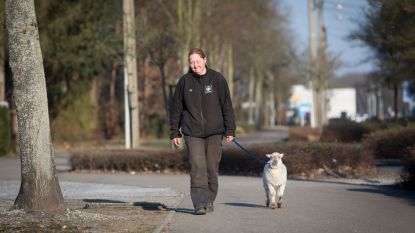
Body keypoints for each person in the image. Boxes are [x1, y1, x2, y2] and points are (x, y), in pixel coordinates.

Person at [170, 48, 236, 215]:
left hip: (214, 132)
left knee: (211, 168)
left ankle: (209, 199)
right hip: (192, 133)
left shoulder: (217, 79)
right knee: (197, 167)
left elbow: (226, 105)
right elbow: (176, 109)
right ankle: (199, 203)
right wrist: (174, 133)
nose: (195, 65)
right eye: (191, 62)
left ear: (205, 60)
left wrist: (230, 129)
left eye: (197, 61)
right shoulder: (184, 82)